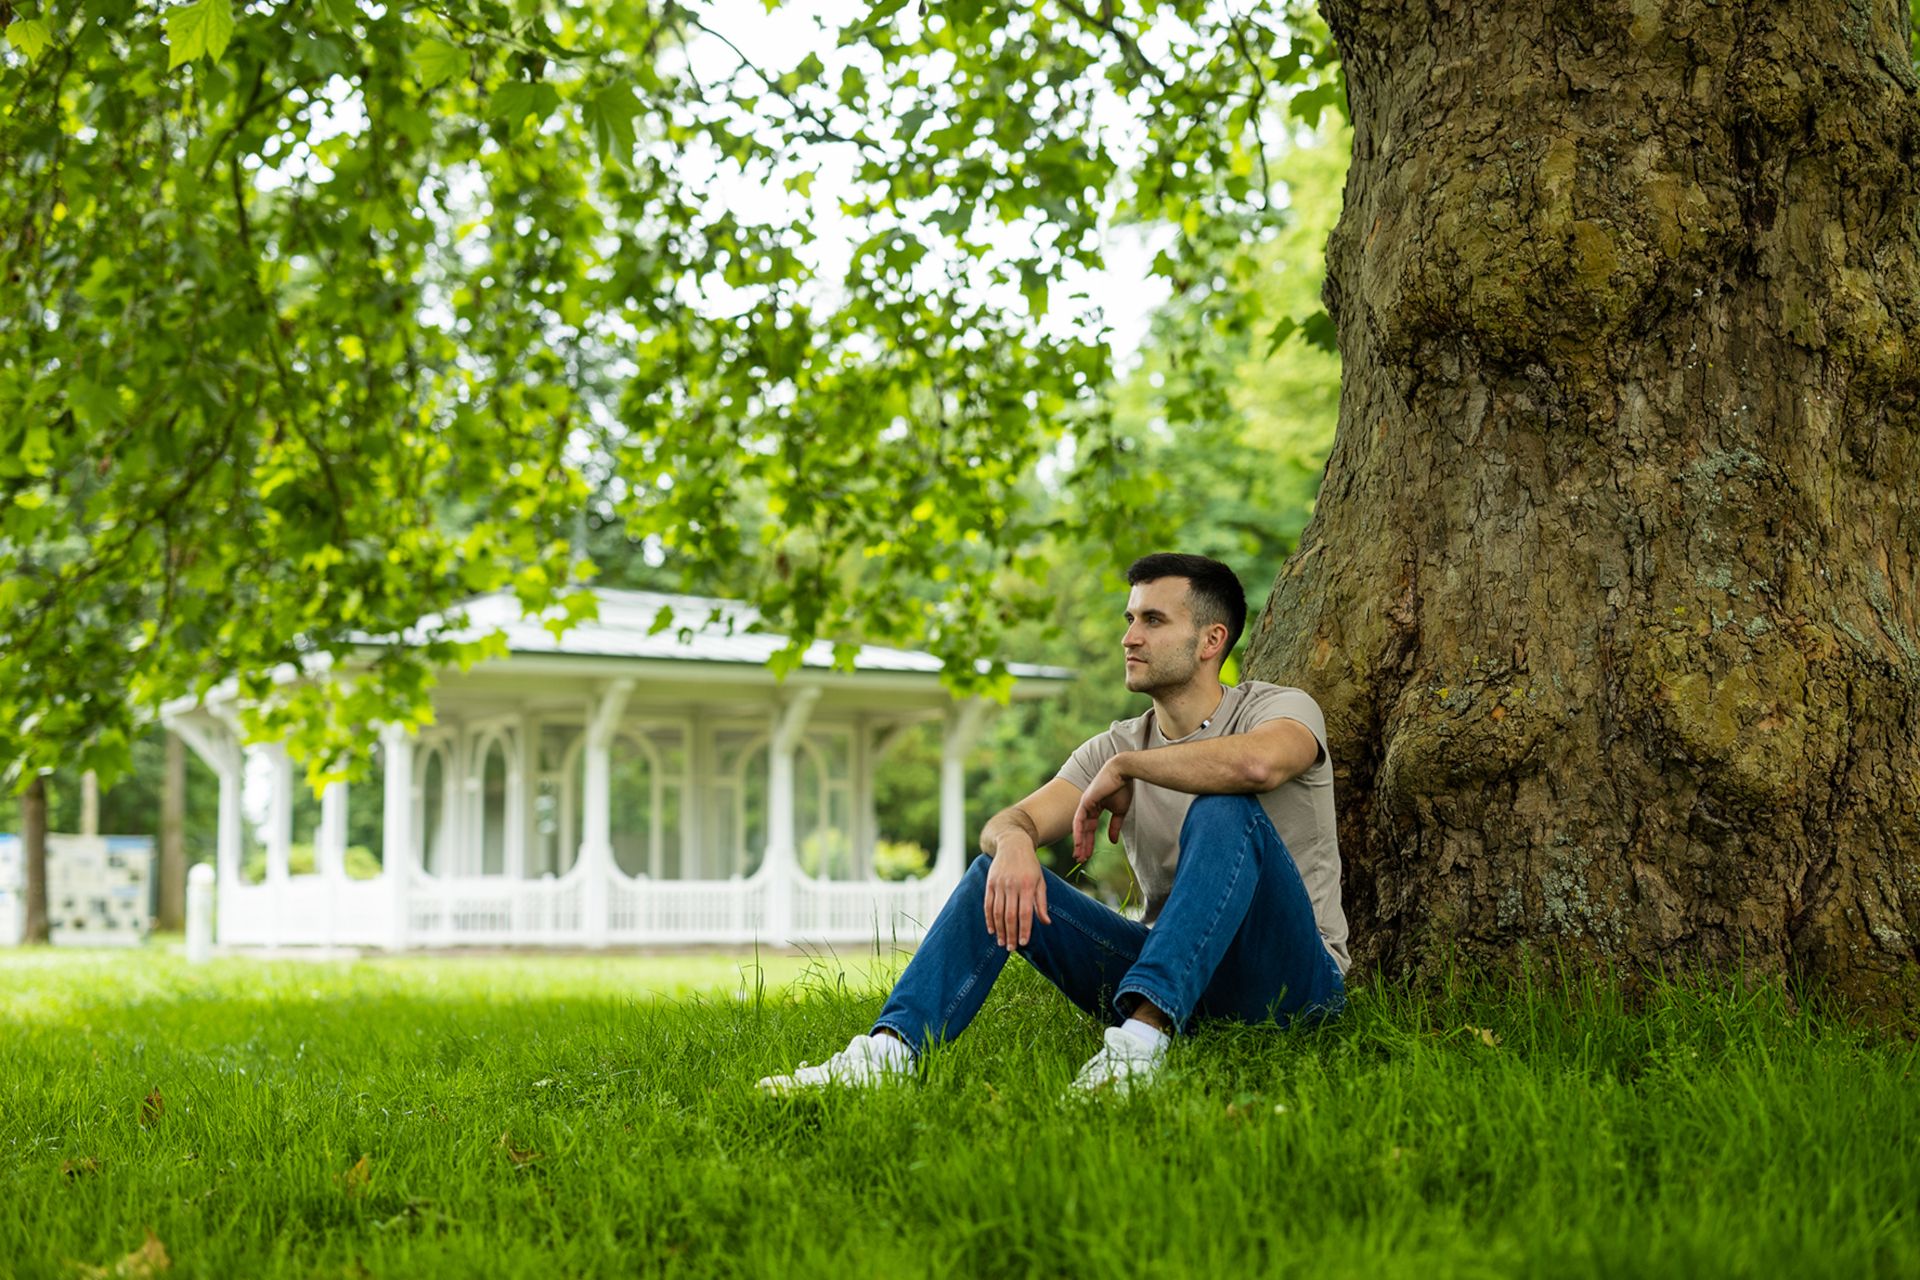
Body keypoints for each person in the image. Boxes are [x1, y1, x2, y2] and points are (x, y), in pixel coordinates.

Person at [757, 552, 1350, 1096]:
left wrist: (1130, 768)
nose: (1129, 637)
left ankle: (1137, 1051)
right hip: (1177, 977)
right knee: (996, 867)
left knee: (1224, 806)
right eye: (1129, 618)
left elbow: (1257, 764)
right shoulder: (1113, 745)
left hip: (1291, 981)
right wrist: (1014, 843)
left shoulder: (1278, 709)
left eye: (1152, 620)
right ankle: (886, 1055)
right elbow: (1009, 820)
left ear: (1210, 640)